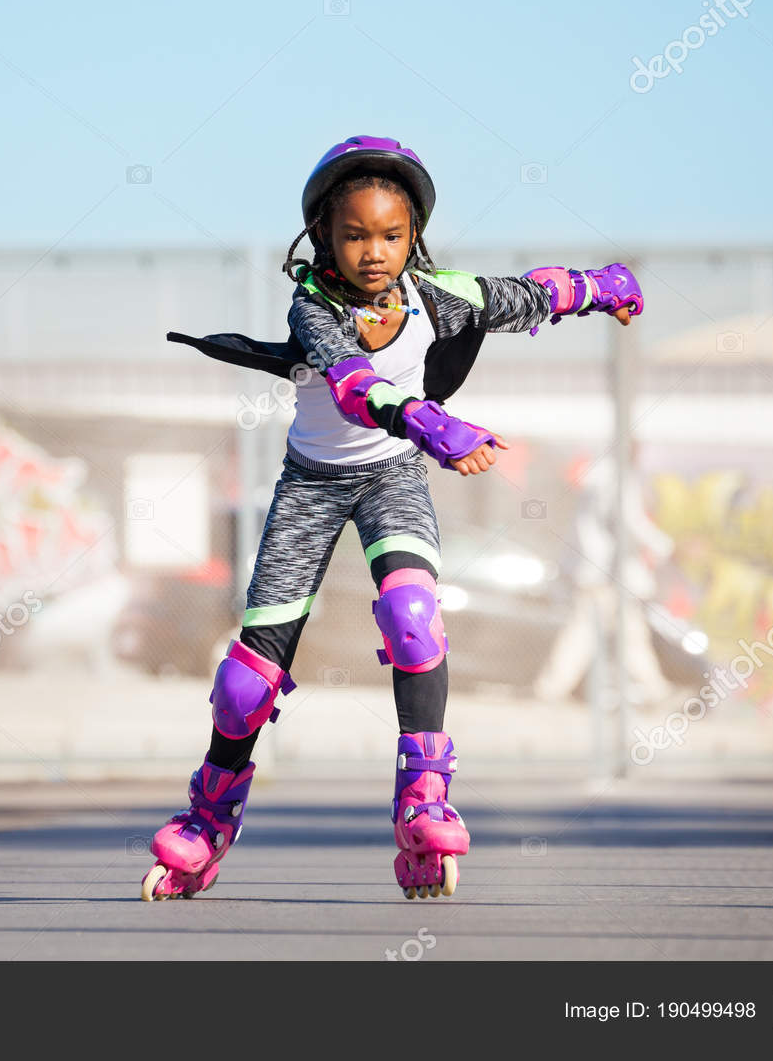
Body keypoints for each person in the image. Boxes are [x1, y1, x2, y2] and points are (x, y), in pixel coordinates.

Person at [145, 135, 643, 901]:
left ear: (412, 238)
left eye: (390, 235)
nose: (373, 252)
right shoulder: (312, 305)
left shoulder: (435, 294)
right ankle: (209, 820)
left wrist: (600, 285)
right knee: (247, 682)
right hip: (312, 486)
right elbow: (354, 386)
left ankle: (424, 799)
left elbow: (528, 294)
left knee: (413, 616)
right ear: (323, 238)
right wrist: (438, 426)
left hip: (391, 478)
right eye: (354, 235)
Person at [532, 446, 677, 705]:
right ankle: (550, 690)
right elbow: (628, 521)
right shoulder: (618, 477)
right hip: (608, 575)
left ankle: (656, 690)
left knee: (623, 634)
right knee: (596, 634)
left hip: (600, 572)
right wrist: (663, 546)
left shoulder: (599, 476)